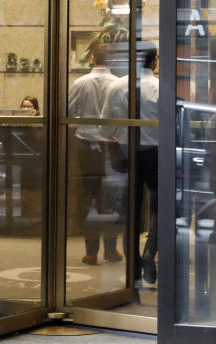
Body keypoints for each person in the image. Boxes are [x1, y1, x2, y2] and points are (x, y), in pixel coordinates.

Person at [102, 45, 159, 285]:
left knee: (131, 212)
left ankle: (133, 268)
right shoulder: (161, 86)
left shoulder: (117, 86)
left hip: (128, 153)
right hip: (157, 153)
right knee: (161, 209)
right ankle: (149, 254)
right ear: (154, 61)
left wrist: (114, 152)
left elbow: (105, 125)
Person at [67, 40, 122, 265]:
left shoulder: (80, 82)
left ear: (92, 59)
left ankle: (91, 252)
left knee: (88, 196)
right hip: (112, 146)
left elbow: (69, 111)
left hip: (86, 145)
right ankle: (110, 249)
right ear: (112, 61)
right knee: (110, 199)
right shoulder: (119, 84)